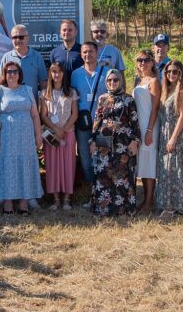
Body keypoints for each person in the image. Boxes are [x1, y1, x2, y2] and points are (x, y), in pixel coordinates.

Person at [0, 61, 44, 214]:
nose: (12, 74)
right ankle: (8, 205)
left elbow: (35, 115)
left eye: (15, 71)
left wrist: (38, 135)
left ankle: (24, 205)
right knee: (7, 168)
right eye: (9, 71)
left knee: (24, 167)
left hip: (25, 138)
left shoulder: (27, 90)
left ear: (20, 74)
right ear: (4, 74)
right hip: (5, 138)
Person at [90, 69, 140, 217]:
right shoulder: (102, 99)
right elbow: (97, 121)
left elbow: (135, 122)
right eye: (109, 80)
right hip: (104, 144)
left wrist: (135, 141)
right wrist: (92, 140)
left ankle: (123, 209)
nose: (112, 83)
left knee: (121, 177)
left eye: (115, 80)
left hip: (122, 144)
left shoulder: (128, 99)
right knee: (104, 175)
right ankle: (104, 208)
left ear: (120, 81)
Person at [156, 60, 183, 219]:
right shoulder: (167, 90)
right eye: (169, 72)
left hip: (176, 135)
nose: (171, 74)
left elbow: (182, 116)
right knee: (167, 169)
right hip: (165, 133)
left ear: (181, 74)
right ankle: (167, 203)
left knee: (176, 169)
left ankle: (177, 205)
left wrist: (173, 138)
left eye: (175, 72)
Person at [71, 42, 109, 194]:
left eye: (91, 51)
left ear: (97, 52)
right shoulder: (75, 74)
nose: (88, 55)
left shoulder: (106, 72)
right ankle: (92, 192)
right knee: (86, 159)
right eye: (85, 52)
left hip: (103, 124)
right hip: (83, 125)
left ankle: (104, 191)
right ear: (81, 54)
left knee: (103, 157)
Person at [40, 61, 78, 211]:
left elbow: (75, 114)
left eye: (59, 71)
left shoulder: (71, 92)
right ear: (50, 73)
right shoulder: (44, 93)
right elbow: (43, 115)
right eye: (54, 71)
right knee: (53, 165)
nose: (57, 74)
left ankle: (67, 199)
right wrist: (56, 129)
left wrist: (64, 129)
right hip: (51, 134)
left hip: (68, 133)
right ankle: (56, 199)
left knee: (68, 165)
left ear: (64, 73)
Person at [132, 49, 162, 213]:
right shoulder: (138, 80)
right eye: (139, 60)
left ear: (152, 62)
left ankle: (150, 201)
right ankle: (145, 198)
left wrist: (150, 129)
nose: (142, 63)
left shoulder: (154, 81)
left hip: (149, 125)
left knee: (149, 162)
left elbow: (155, 107)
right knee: (142, 162)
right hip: (139, 125)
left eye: (146, 60)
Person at [1, 24, 48, 91]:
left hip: (31, 100)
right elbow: (2, 81)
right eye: (14, 37)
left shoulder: (37, 57)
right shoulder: (6, 57)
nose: (17, 40)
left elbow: (43, 82)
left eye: (21, 37)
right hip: (11, 100)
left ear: (27, 38)